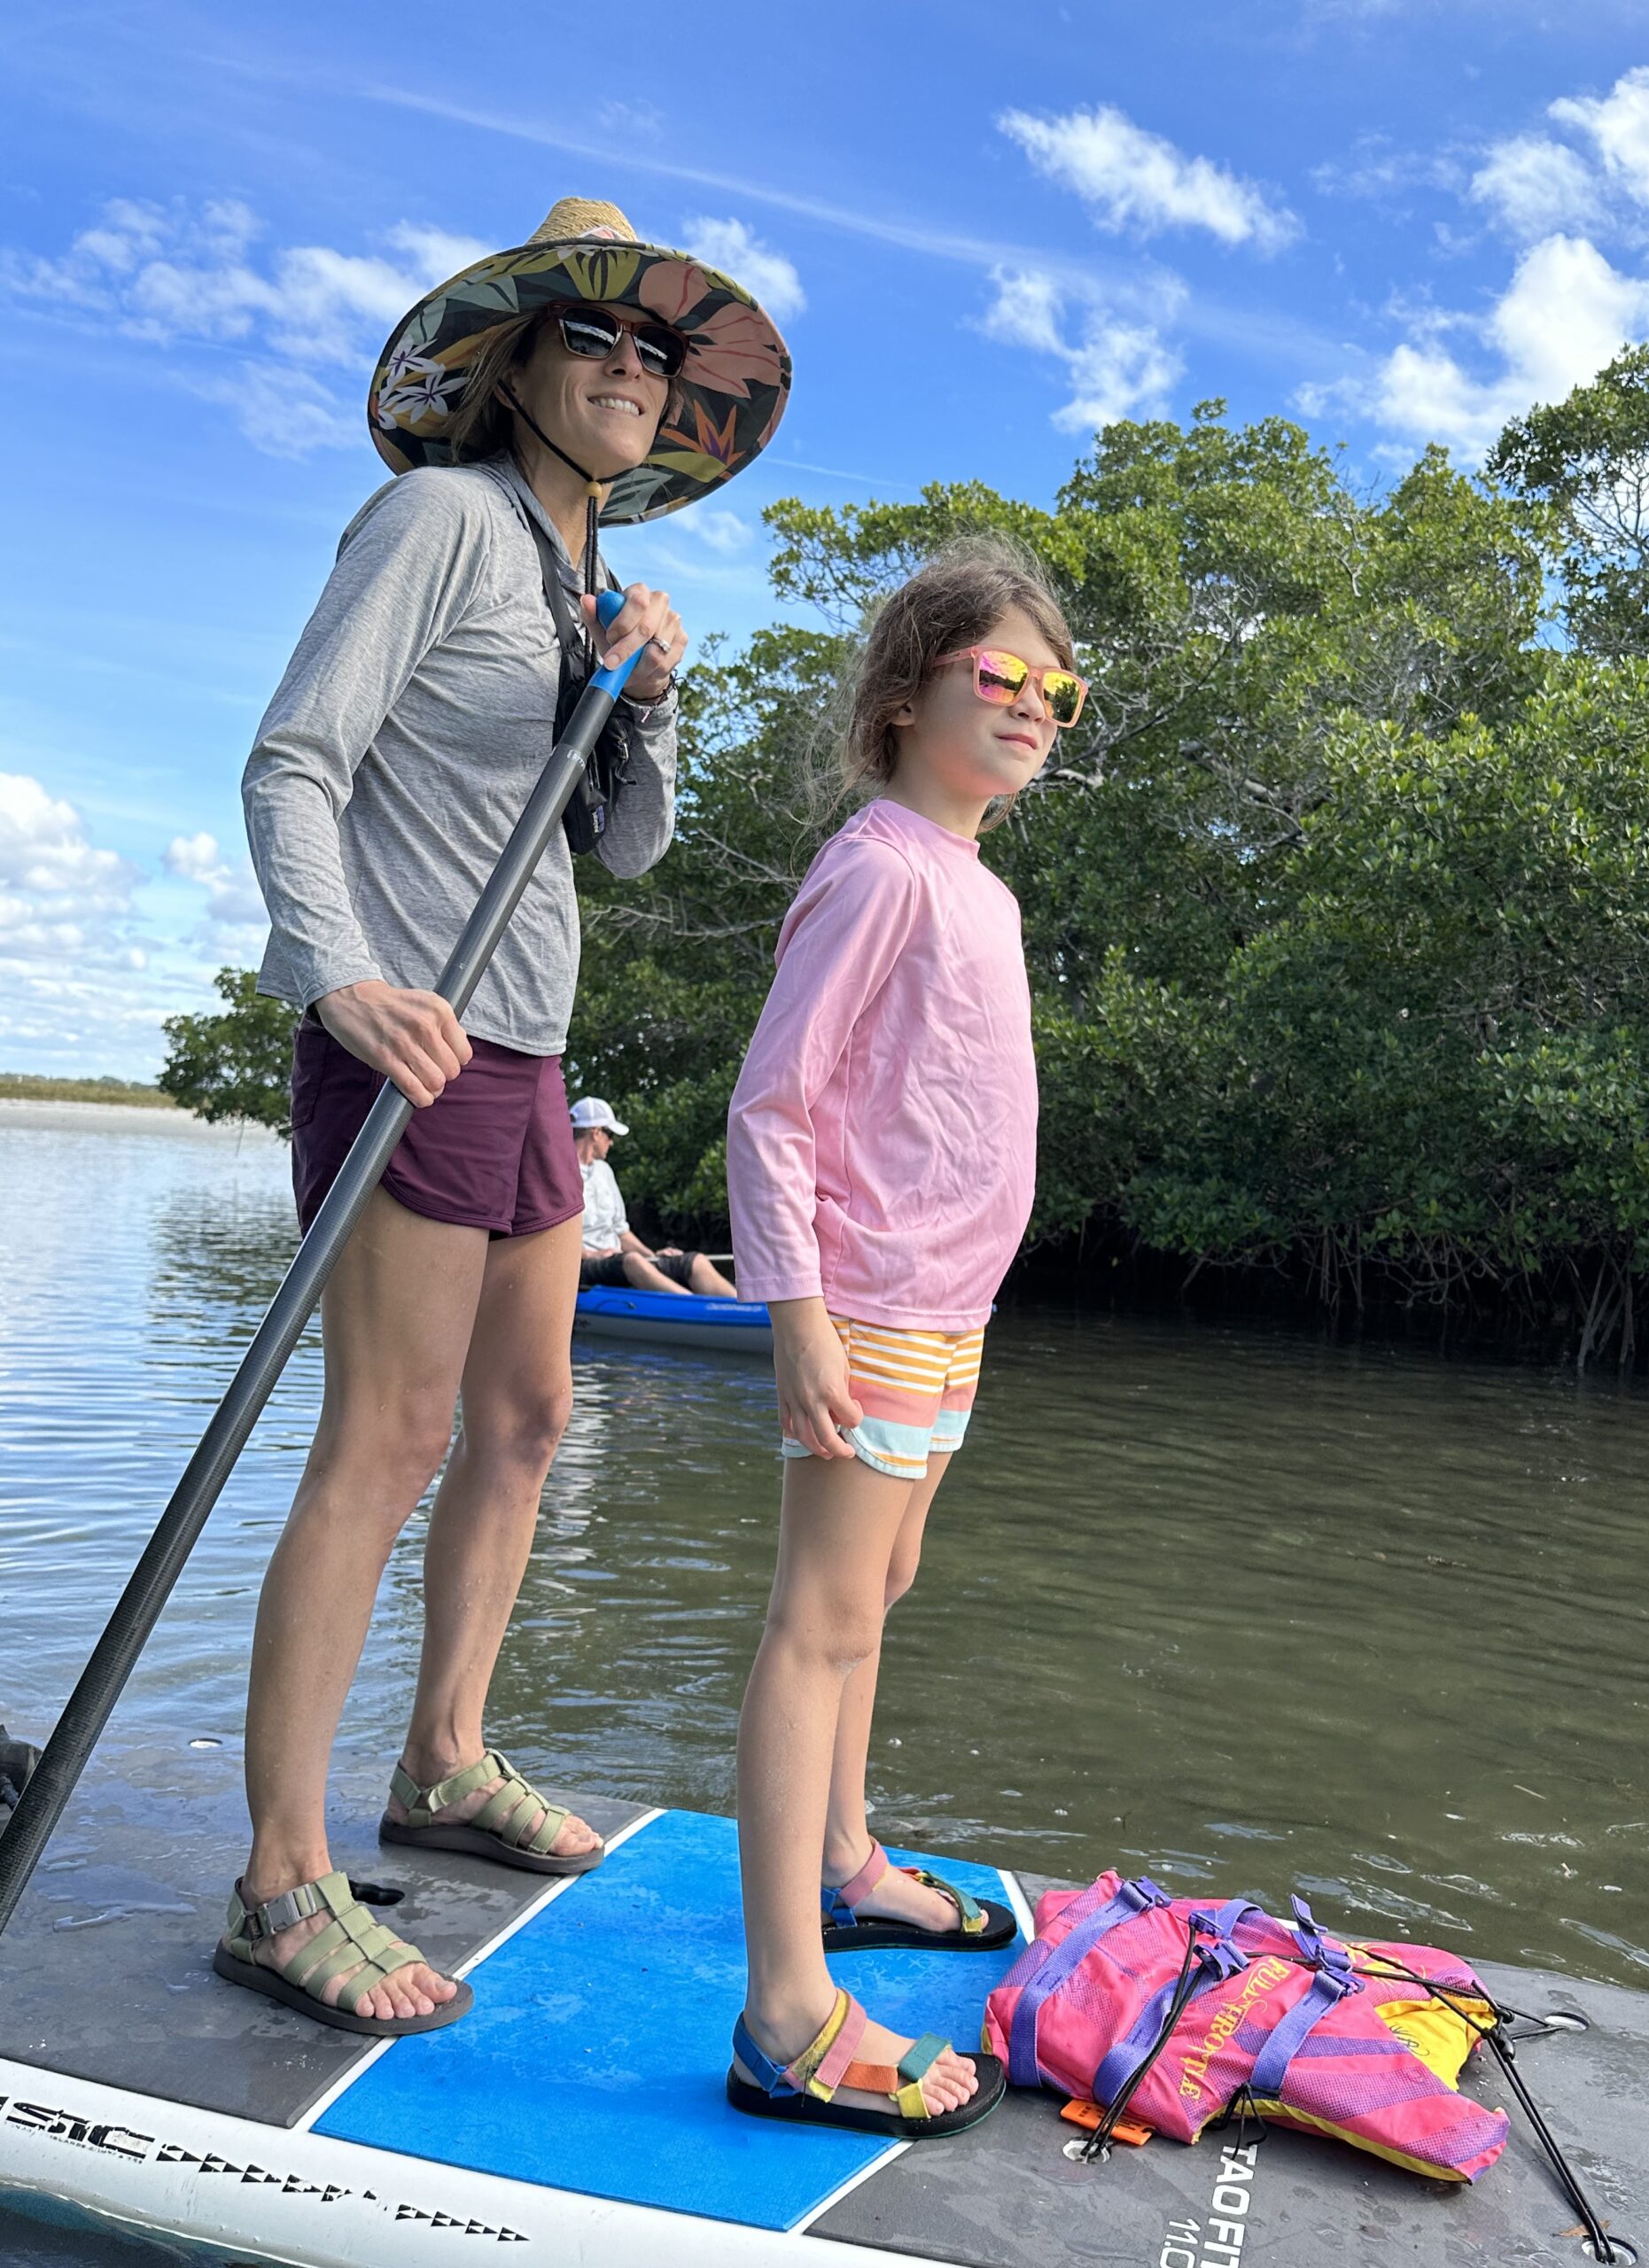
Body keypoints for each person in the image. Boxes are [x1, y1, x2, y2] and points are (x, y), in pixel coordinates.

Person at [222, 198, 790, 2038]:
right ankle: (279, 1876)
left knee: (529, 1416)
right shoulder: (441, 521)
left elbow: (622, 845)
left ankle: (445, 1758)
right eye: (598, 343)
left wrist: (655, 693)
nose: (633, 372)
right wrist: (333, 967)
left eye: (658, 355)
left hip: (537, 1046)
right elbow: (294, 754)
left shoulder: (579, 591)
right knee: (383, 1441)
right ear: (518, 367)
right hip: (416, 1033)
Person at [723, 540, 1090, 2136]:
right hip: (864, 1296)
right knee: (816, 1619)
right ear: (904, 691)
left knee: (882, 1589)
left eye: (1053, 687)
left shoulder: (981, 883)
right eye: (996, 674)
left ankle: (847, 1857)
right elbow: (775, 1103)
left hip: (951, 1311)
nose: (1030, 705)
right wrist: (794, 1308)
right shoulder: (877, 863)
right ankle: (787, 2009)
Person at [572, 1097, 737, 1296]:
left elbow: (621, 1231)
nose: (612, 1142)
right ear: (596, 1133)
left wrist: (652, 1256)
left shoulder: (605, 1170)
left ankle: (750, 1312)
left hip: (619, 1259)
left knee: (694, 1261)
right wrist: (589, 1254)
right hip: (583, 1265)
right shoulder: (560, 1173)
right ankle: (701, 1312)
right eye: (609, 1134)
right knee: (632, 1261)